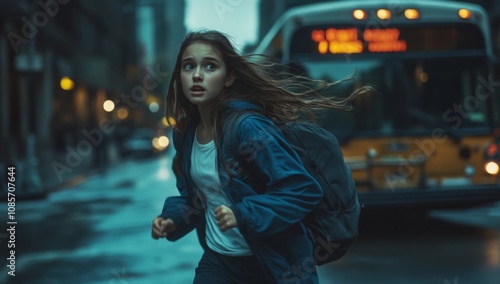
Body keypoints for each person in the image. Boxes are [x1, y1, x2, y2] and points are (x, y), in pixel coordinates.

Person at [151, 30, 371, 284]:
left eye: (210, 66)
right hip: (219, 261)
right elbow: (196, 197)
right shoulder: (186, 134)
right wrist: (172, 219)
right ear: (180, 76)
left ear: (230, 77)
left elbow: (303, 189)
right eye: (188, 66)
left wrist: (243, 213)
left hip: (272, 263)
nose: (197, 75)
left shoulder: (248, 129)